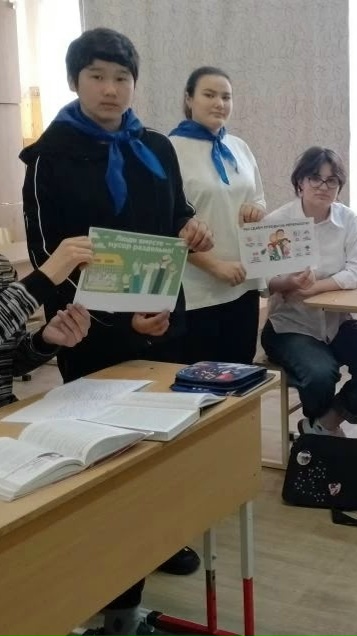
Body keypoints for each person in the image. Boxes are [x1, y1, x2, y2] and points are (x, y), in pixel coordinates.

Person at [18, 28, 213, 636]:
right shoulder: (48, 156)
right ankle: (119, 605)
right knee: (111, 464)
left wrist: (192, 230)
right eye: (97, 76)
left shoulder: (154, 145)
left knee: (165, 446)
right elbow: (50, 256)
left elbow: (175, 214)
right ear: (75, 81)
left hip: (163, 316)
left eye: (122, 78)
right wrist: (113, 318)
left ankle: (154, 542)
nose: (110, 89)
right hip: (91, 332)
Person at [260, 146, 357, 435]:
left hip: (337, 322)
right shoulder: (276, 223)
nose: (323, 186)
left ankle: (323, 425)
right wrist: (288, 283)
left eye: (331, 180)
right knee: (321, 374)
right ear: (300, 182)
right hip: (290, 326)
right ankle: (324, 439)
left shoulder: (348, 220)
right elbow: (263, 282)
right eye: (315, 178)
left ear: (339, 186)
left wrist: (314, 288)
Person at [169, 66, 266, 364]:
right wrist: (215, 266)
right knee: (200, 378)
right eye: (209, 95)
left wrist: (256, 210)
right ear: (189, 99)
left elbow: (258, 199)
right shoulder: (169, 149)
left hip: (243, 283)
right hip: (197, 292)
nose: (219, 103)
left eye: (226, 97)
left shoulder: (239, 147)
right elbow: (167, 224)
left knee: (241, 372)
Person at [1, 238, 93, 406]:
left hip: (8, 412)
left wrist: (43, 341)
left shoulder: (2, 267)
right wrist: (44, 278)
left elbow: (9, 364)